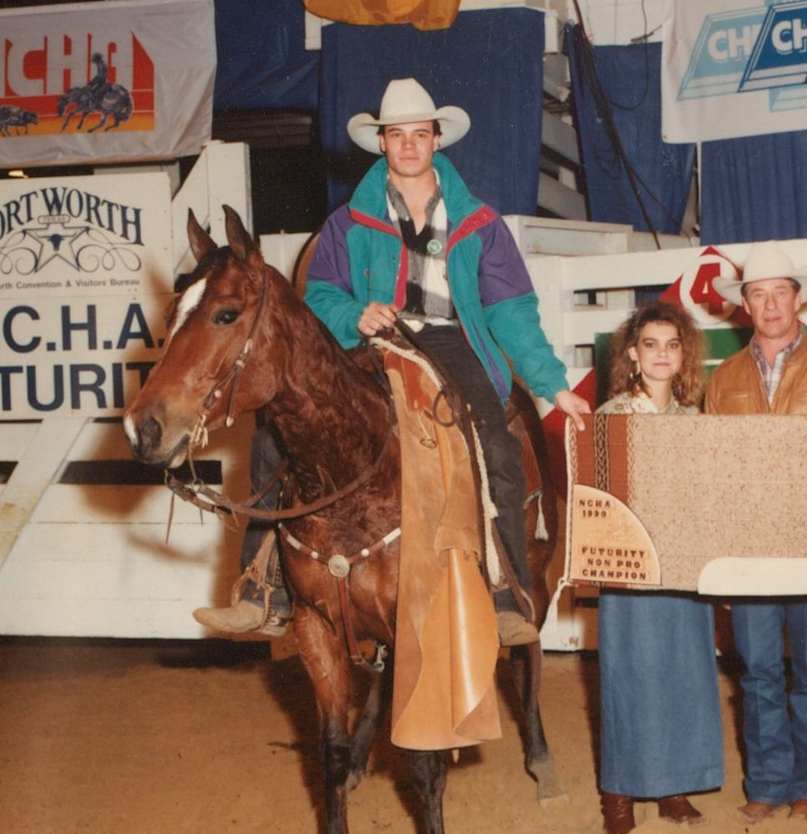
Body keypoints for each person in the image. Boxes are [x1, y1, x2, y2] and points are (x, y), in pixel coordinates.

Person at [194, 78, 590, 646]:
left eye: (419, 134)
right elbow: (320, 299)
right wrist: (356, 313)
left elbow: (512, 311)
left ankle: (507, 588)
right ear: (381, 143)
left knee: (497, 447)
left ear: (437, 141)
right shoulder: (346, 224)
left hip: (450, 339)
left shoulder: (479, 223)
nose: (408, 145)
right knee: (275, 434)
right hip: (367, 341)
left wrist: (553, 385)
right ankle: (263, 586)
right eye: (397, 135)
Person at [705, 242, 807, 825]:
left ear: (798, 298)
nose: (770, 304)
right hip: (748, 551)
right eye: (758, 293)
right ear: (743, 305)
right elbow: (715, 474)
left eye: (780, 292)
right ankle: (769, 782)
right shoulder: (722, 380)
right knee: (757, 671)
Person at [594, 301, 724, 834]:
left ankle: (673, 786)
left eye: (672, 345)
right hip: (629, 565)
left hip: (682, 565)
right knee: (630, 673)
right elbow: (598, 497)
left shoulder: (696, 419)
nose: (662, 354)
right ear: (632, 353)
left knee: (682, 671)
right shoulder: (610, 416)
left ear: (683, 354)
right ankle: (619, 793)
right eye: (651, 344)